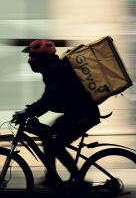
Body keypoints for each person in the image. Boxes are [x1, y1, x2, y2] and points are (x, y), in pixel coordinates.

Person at [13, 39, 100, 189]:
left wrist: (29, 113)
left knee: (58, 145)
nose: (29, 60)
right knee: (47, 136)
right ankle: (52, 178)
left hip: (85, 114)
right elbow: (47, 97)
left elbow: (50, 98)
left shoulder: (56, 70)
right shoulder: (51, 70)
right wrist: (27, 111)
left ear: (43, 57)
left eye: (32, 56)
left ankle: (80, 183)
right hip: (75, 113)